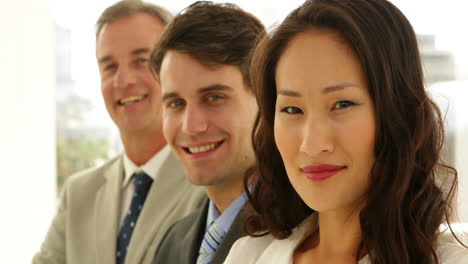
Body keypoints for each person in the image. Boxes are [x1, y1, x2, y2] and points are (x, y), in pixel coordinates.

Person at [224, 0, 468, 263]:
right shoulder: (247, 255)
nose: (311, 144)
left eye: (342, 104)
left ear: (397, 114)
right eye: (292, 110)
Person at [33, 1, 205, 264]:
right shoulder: (78, 193)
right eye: (109, 66)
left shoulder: (208, 184)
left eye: (141, 61)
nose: (123, 80)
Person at [149, 2, 265, 264]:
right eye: (175, 103)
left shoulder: (308, 232)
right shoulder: (174, 241)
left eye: (213, 97)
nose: (191, 126)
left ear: (264, 100)